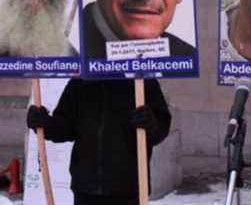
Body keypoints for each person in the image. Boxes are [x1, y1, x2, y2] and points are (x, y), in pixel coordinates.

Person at [26, 78, 171, 205]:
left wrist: (152, 123)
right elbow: (64, 128)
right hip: (86, 188)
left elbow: (161, 128)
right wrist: (44, 123)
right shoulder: (80, 82)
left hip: (129, 187)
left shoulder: (142, 81)